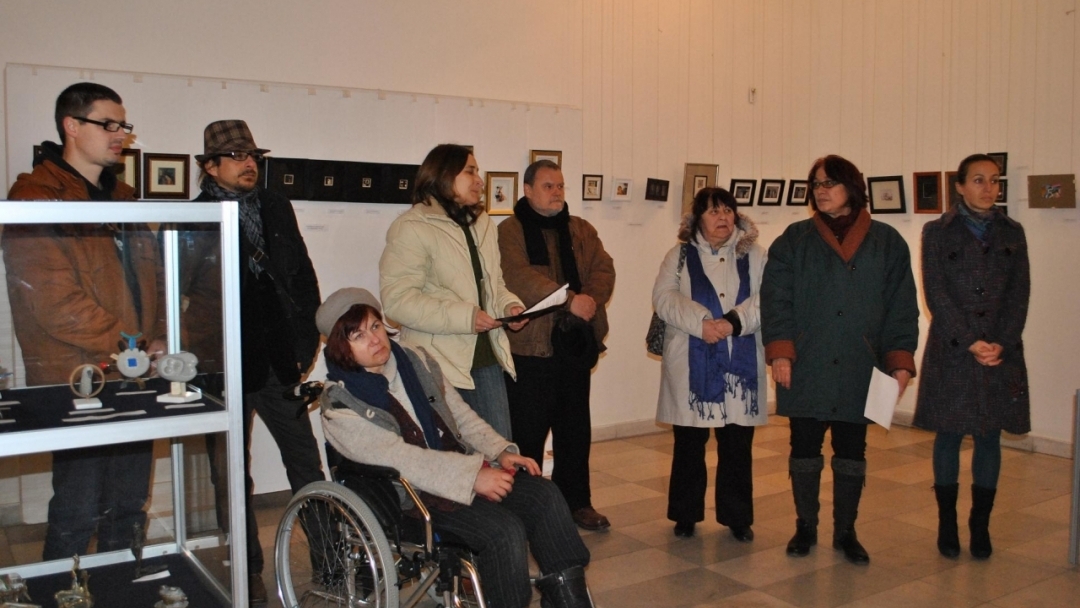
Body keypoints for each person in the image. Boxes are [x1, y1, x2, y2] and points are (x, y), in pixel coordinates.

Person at [316, 288, 595, 608]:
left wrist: (500, 451)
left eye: (375, 326)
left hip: (456, 470)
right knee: (503, 531)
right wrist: (472, 476)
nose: (375, 339)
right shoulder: (339, 405)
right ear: (339, 347)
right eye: (358, 335)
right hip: (409, 500)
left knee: (544, 496)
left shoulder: (414, 359)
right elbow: (401, 459)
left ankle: (569, 601)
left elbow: (459, 415)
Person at [2, 82, 164, 560]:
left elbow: (152, 277)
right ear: (71, 126)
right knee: (78, 507)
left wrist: (156, 337)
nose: (120, 134)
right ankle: (61, 589)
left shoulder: (123, 198)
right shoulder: (34, 196)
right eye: (108, 124)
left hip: (134, 373)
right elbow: (53, 302)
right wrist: (134, 344)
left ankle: (123, 585)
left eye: (123, 125)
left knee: (128, 505)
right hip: (76, 376)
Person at [760, 155, 919, 565]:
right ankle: (805, 526)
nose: (821, 191)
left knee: (852, 450)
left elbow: (902, 307)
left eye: (829, 183)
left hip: (859, 362)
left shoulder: (887, 242)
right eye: (815, 184)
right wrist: (781, 352)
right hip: (807, 361)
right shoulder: (794, 239)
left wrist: (900, 361)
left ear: (852, 187)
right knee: (804, 447)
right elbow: (776, 301)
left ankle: (846, 531)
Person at [192, 119, 324, 604]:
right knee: (229, 475)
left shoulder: (274, 205)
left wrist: (305, 344)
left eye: (253, 156)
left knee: (306, 462)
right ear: (210, 166)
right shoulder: (193, 217)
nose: (249, 164)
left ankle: (329, 557)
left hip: (279, 364)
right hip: (223, 369)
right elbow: (183, 297)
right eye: (237, 156)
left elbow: (302, 276)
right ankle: (246, 570)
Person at [913, 154, 1029, 560]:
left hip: (999, 351)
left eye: (994, 180)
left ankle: (980, 525)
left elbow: (1019, 294)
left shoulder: (1013, 232)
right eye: (978, 180)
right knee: (948, 435)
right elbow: (936, 294)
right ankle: (947, 522)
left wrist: (1001, 342)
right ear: (959, 186)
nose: (988, 188)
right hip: (953, 350)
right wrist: (970, 341)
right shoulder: (937, 232)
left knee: (989, 436)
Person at [498, 160, 616, 531]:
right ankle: (525, 507)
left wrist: (587, 301)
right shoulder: (510, 230)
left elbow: (604, 268)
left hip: (574, 347)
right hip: (530, 349)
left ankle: (577, 503)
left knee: (575, 431)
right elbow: (517, 275)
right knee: (527, 435)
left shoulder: (581, 229)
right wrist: (569, 300)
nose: (557, 192)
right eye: (548, 186)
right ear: (527, 190)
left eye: (561, 185)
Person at [380, 144, 527, 440]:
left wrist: (509, 306)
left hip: (486, 357)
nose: (479, 181)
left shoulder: (484, 224)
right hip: (436, 361)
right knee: (451, 454)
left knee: (499, 450)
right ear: (444, 174)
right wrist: (466, 317)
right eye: (470, 171)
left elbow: (493, 284)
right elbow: (397, 302)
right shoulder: (411, 226)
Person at [652, 188, 767, 541]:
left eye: (728, 210)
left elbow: (769, 297)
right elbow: (664, 298)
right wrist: (701, 322)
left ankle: (737, 517)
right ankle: (685, 514)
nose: (723, 218)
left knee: (737, 445)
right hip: (691, 360)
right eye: (714, 211)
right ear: (697, 218)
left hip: (739, 362)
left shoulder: (755, 255)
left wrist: (733, 322)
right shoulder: (679, 255)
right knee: (689, 444)